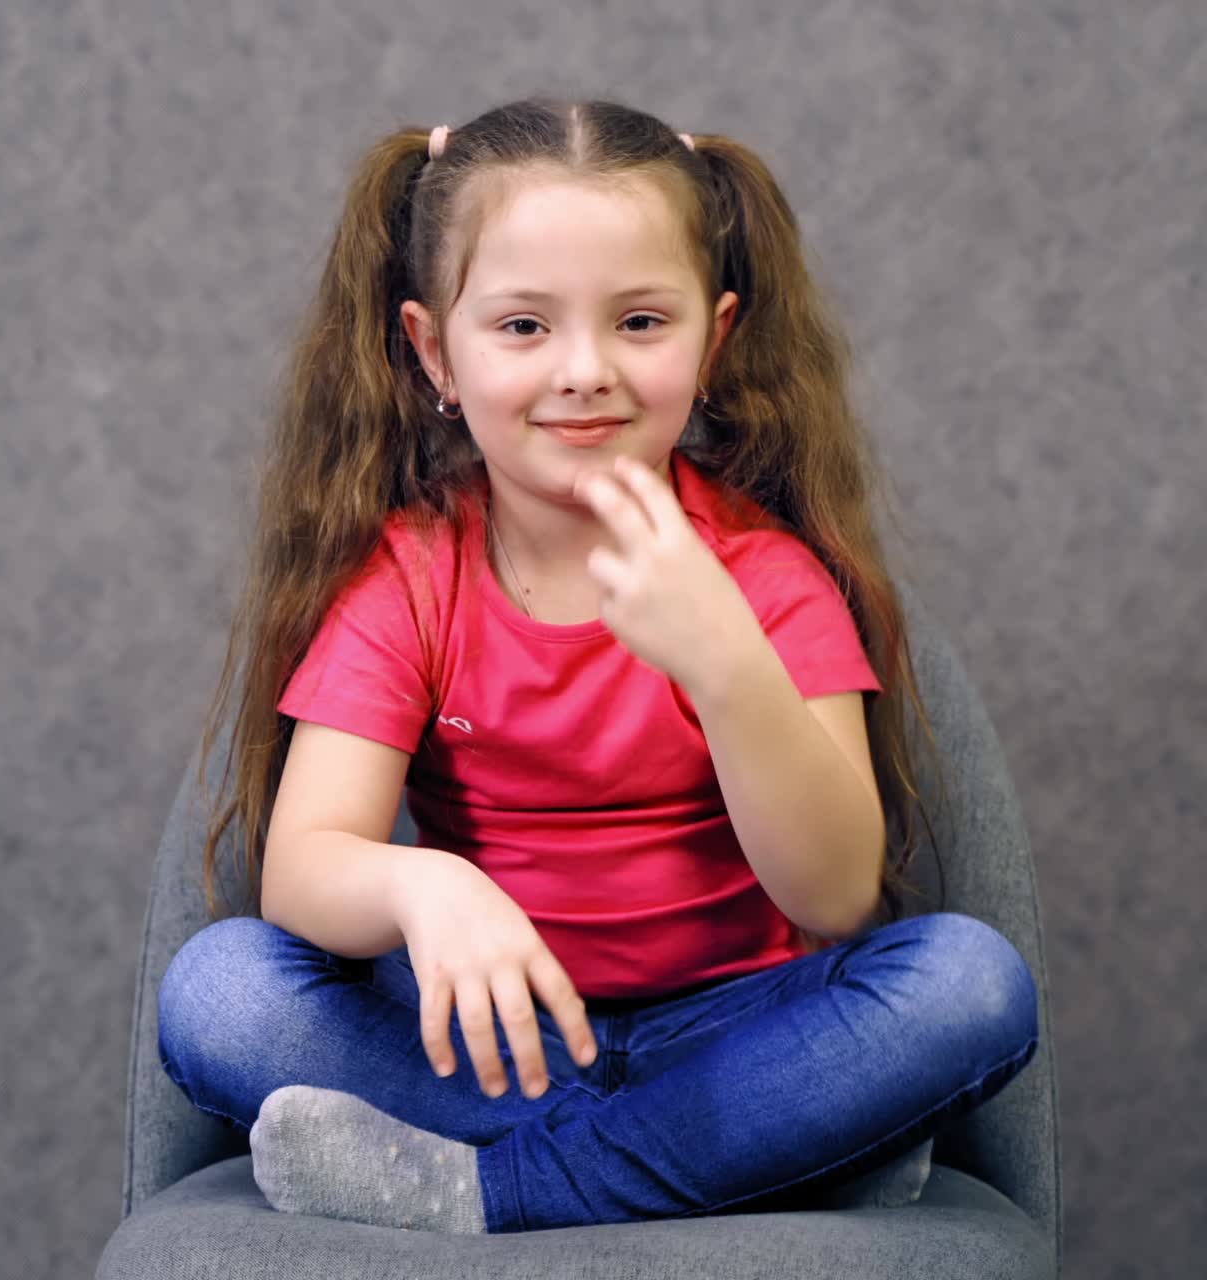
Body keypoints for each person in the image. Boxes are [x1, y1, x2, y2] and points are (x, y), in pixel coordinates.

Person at [156, 96, 1040, 1236]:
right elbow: (302, 874)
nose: (583, 370)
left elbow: (833, 895)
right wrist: (427, 884)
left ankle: (494, 1189)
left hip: (739, 1027)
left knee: (966, 983)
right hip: (490, 1044)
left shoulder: (766, 579)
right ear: (433, 350)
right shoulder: (411, 578)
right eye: (523, 327)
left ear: (711, 341)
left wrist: (725, 663)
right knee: (221, 990)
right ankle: (760, 1146)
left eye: (638, 322)